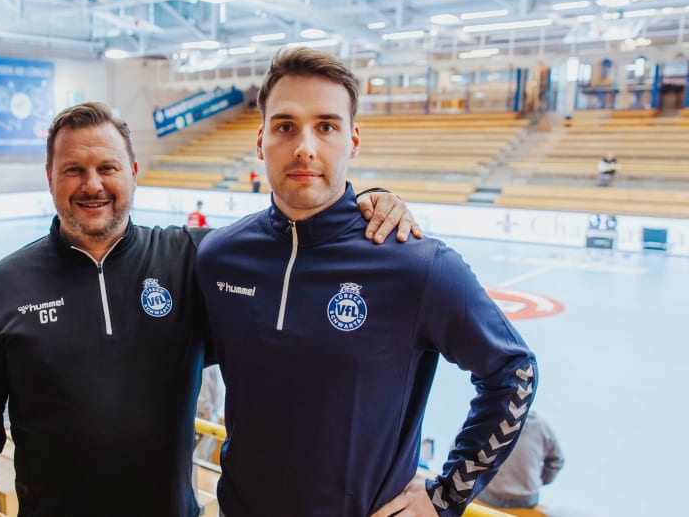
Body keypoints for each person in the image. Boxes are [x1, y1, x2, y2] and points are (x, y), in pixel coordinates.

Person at [0, 102, 421, 517]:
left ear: (133, 171)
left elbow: (290, 250)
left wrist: (366, 204)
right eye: (73, 170)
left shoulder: (191, 259)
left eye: (107, 168)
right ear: (50, 177)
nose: (92, 185)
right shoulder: (5, 285)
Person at [194, 48, 538, 517]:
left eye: (326, 126)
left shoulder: (416, 265)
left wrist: (446, 497)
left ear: (353, 139)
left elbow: (514, 372)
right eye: (285, 126)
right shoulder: (220, 257)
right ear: (260, 141)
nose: (305, 147)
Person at [476, 411, 564, 510]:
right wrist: (536, 480)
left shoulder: (484, 419)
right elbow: (557, 461)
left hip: (490, 494)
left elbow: (459, 453)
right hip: (526, 499)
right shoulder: (541, 425)